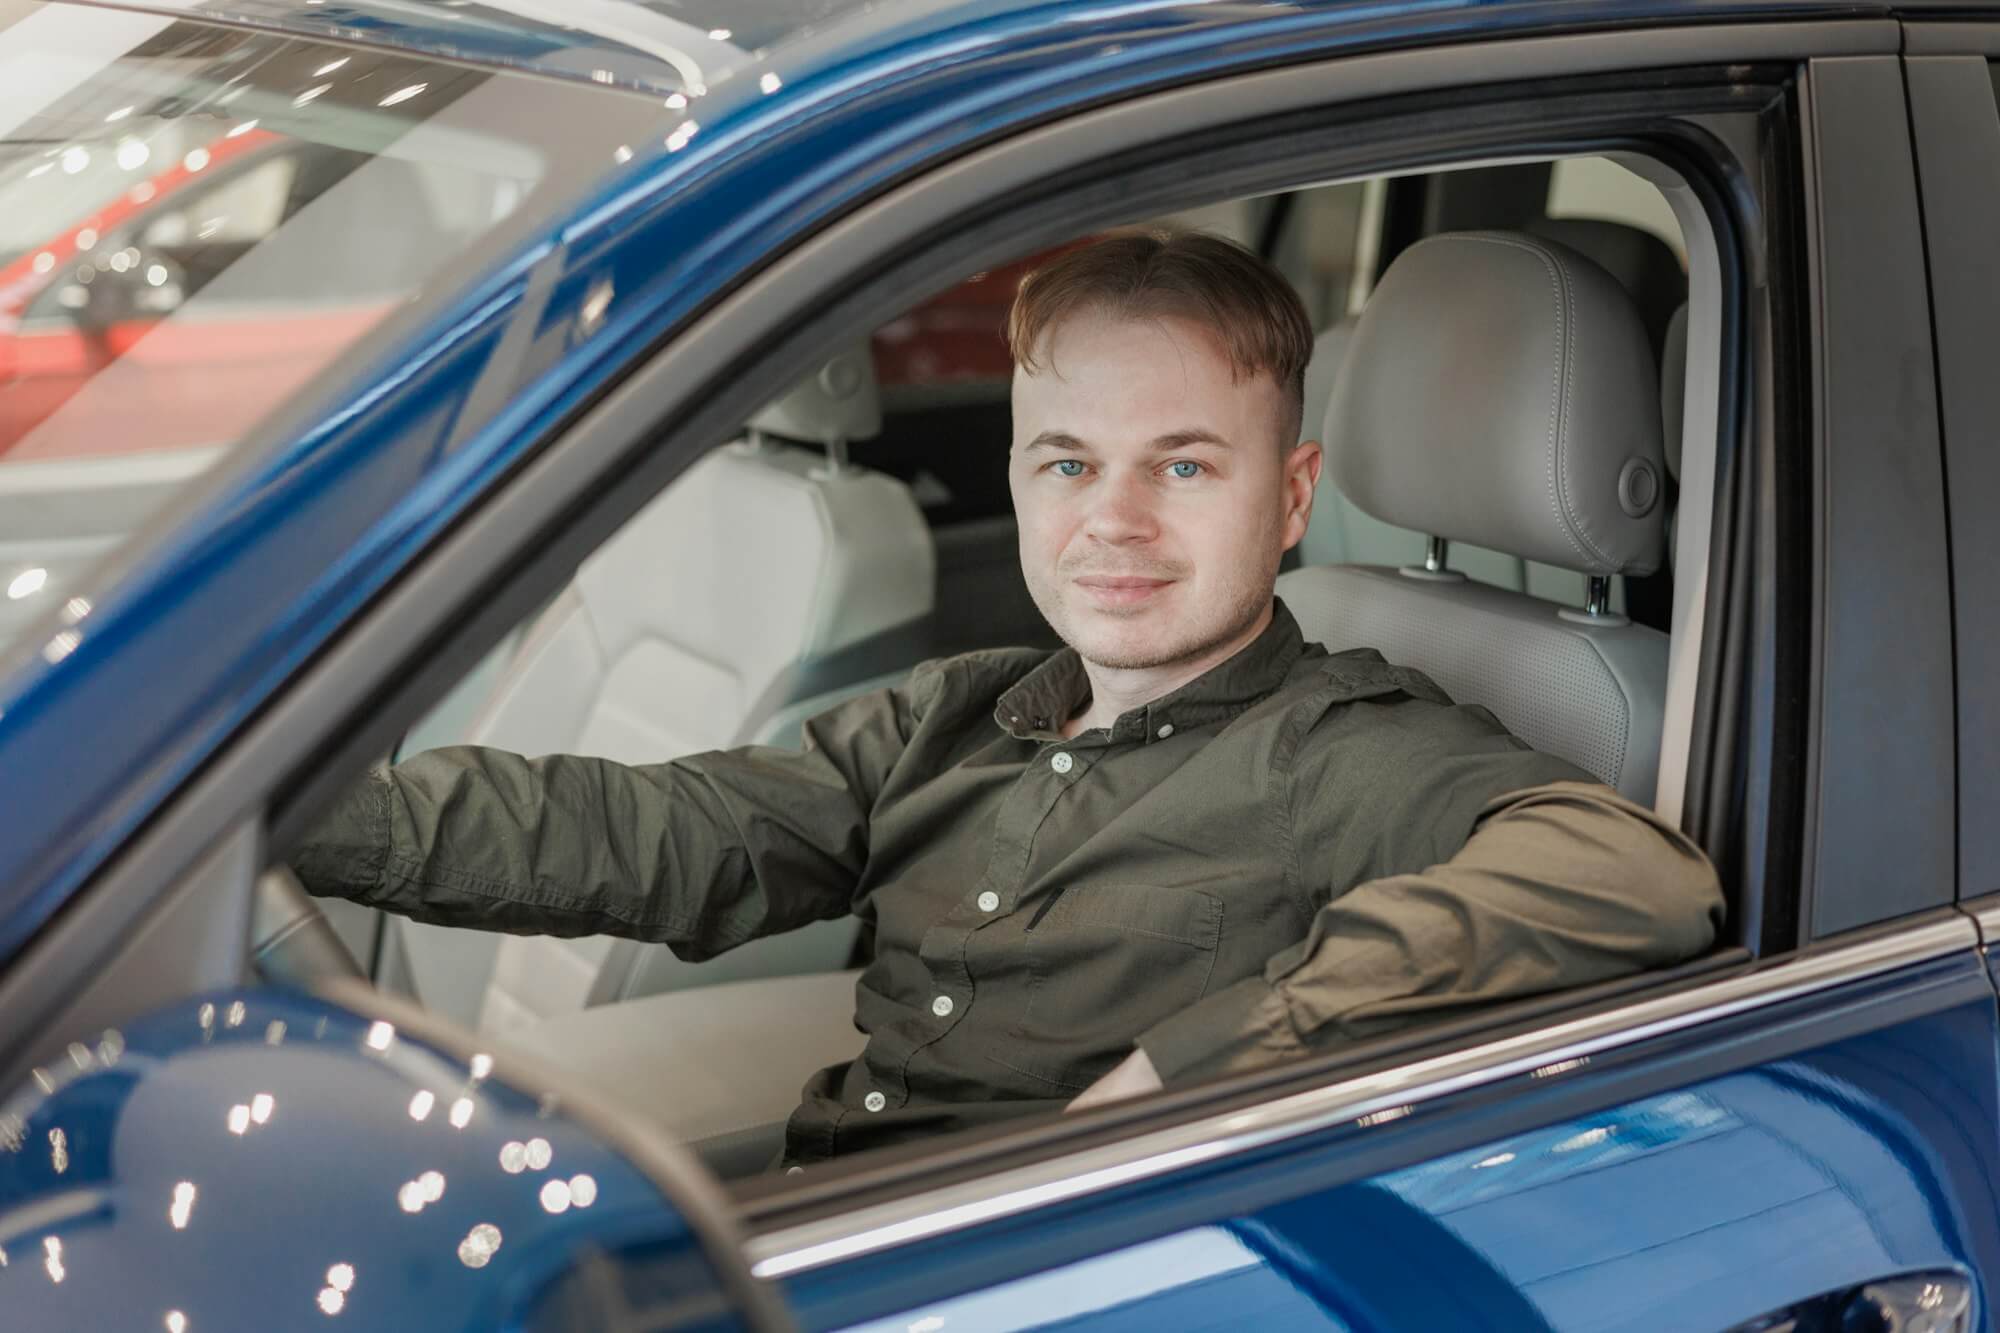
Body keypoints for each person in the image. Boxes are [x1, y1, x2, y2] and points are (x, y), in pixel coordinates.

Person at [293, 229, 1723, 1167]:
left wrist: (1196, 1065)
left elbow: (1631, 875)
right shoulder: (964, 711)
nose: (1112, 519)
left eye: (1182, 465)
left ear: (1291, 500)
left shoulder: (1333, 748)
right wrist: (292, 818)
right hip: (851, 1183)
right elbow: (672, 827)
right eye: (1066, 462)